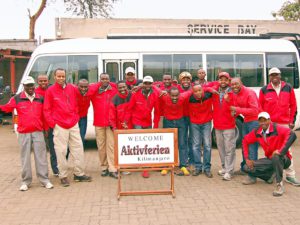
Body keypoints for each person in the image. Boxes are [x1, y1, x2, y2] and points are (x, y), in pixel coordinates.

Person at [0, 76, 53, 191]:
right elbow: (6, 108)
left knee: (41, 156)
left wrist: (47, 129)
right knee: (25, 157)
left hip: (38, 131)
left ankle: (44, 180)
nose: (30, 87)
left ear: (34, 86)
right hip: (24, 132)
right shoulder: (17, 98)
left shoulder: (40, 98)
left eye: (32, 85)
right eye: (28, 85)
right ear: (24, 86)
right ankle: (26, 181)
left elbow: (45, 115)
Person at [44, 68, 92, 187]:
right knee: (61, 151)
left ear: (66, 76)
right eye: (58, 76)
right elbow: (46, 109)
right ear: (54, 77)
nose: (61, 78)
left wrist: (76, 116)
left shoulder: (72, 88)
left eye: (63, 76)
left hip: (73, 123)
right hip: (59, 125)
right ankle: (63, 176)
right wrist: (53, 124)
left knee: (78, 149)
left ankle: (79, 174)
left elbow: (82, 97)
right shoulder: (50, 90)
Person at [259, 67, 300, 186]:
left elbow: (293, 105)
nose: (274, 77)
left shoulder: (288, 87)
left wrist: (292, 120)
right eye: (272, 75)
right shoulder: (264, 90)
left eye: (276, 74)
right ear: (269, 77)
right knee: (270, 149)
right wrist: (264, 122)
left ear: (280, 75)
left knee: (287, 149)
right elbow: (260, 107)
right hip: (270, 124)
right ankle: (273, 173)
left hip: (284, 124)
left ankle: (290, 175)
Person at [242, 112, 297, 197]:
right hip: (270, 159)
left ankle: (279, 185)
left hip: (284, 159)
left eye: (265, 120)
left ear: (269, 120)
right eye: (260, 121)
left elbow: (292, 134)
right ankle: (269, 176)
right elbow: (245, 140)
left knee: (276, 156)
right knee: (246, 167)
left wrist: (280, 151)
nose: (263, 123)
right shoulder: (258, 132)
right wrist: (246, 158)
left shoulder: (277, 128)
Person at [125, 75, 160, 178]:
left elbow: (157, 112)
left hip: (148, 122)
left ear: (152, 84)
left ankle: (146, 167)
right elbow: (129, 108)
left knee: (148, 145)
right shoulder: (136, 94)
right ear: (142, 84)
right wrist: (126, 121)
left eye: (149, 83)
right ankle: (140, 165)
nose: (147, 85)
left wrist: (156, 125)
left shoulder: (155, 95)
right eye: (146, 83)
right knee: (139, 144)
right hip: (137, 122)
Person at [229, 78, 260, 182]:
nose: (234, 86)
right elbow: (239, 108)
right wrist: (235, 113)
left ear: (241, 83)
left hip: (254, 122)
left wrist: (237, 110)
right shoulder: (235, 94)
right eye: (232, 85)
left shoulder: (250, 93)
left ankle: (252, 175)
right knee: (244, 146)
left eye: (236, 84)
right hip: (246, 121)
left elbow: (255, 110)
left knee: (252, 148)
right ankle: (244, 168)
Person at [159, 87, 192, 176]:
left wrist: (209, 89)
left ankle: (183, 165)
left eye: (176, 95)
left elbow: (192, 90)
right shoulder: (164, 96)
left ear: (179, 94)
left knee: (182, 144)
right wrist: (141, 86)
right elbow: (153, 87)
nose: (174, 98)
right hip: (168, 122)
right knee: (167, 145)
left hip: (180, 122)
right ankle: (167, 165)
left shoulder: (183, 96)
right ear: (168, 94)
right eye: (172, 96)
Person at [91, 73, 118, 179]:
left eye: (107, 78)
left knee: (111, 146)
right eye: (102, 79)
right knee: (101, 147)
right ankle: (104, 167)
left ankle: (112, 168)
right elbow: (87, 90)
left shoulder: (114, 90)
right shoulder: (95, 91)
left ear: (109, 80)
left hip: (111, 123)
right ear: (99, 80)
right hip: (98, 122)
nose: (104, 80)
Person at [212, 72, 236, 181]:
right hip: (217, 125)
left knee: (229, 148)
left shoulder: (233, 91)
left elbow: (237, 105)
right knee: (221, 148)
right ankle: (224, 167)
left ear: (229, 81)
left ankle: (229, 171)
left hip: (229, 125)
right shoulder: (215, 90)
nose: (223, 82)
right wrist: (211, 89)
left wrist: (228, 100)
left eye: (225, 80)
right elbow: (204, 88)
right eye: (221, 79)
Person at [35, 74, 59, 176]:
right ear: (37, 82)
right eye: (41, 81)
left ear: (48, 81)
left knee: (54, 149)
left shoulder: (52, 90)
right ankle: (43, 172)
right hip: (41, 126)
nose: (43, 83)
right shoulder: (35, 93)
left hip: (53, 124)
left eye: (45, 81)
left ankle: (56, 169)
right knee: (42, 150)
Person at [189, 85, 214, 178]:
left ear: (203, 90)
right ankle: (198, 167)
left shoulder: (208, 95)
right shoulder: (190, 98)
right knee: (196, 146)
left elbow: (215, 84)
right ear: (193, 92)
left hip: (206, 122)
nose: (198, 93)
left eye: (200, 90)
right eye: (195, 91)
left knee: (207, 145)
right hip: (194, 123)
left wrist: (208, 88)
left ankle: (207, 168)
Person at [177, 71, 194, 171]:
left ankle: (191, 161)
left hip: (192, 117)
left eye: (188, 79)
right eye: (184, 79)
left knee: (192, 140)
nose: (186, 81)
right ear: (181, 80)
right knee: (182, 141)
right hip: (181, 118)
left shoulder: (194, 88)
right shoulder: (176, 89)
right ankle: (183, 162)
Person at [76, 79, 91, 146]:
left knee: (82, 136)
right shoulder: (73, 92)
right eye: (81, 86)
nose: (83, 89)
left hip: (83, 117)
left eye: (85, 87)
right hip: (74, 117)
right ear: (77, 86)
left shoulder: (90, 92)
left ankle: (79, 153)